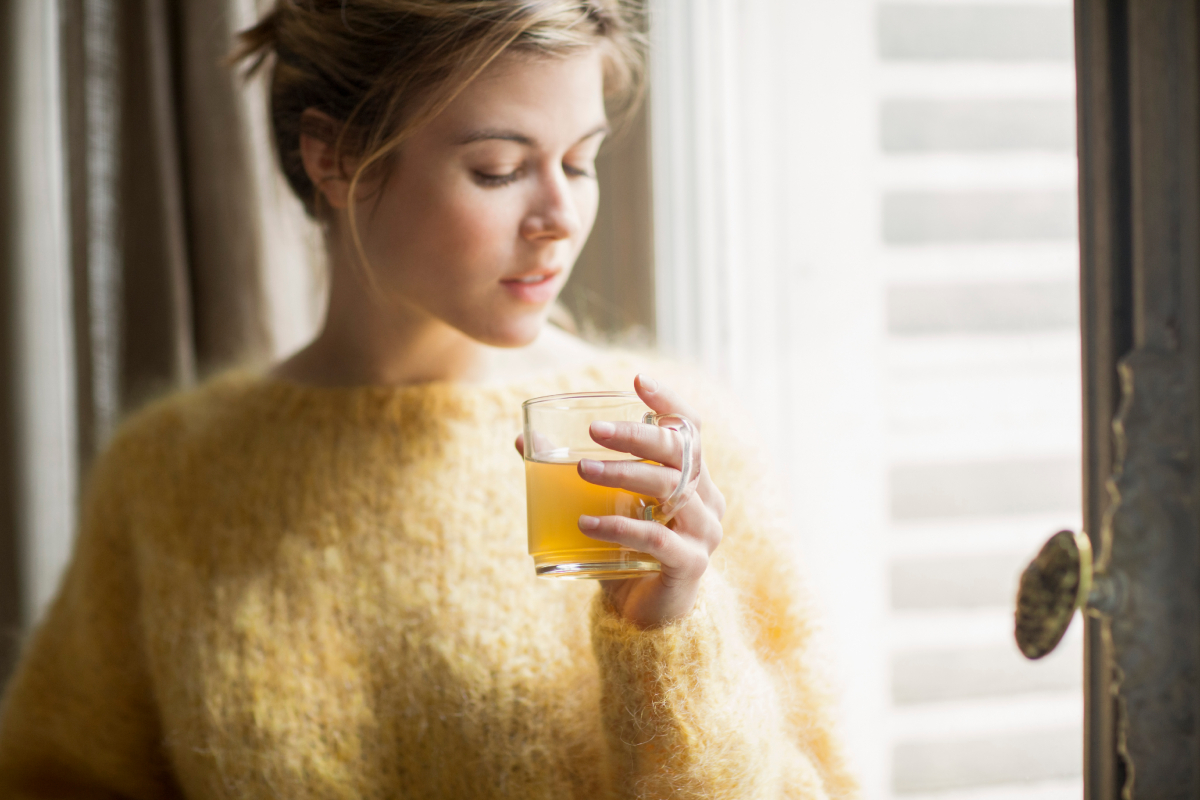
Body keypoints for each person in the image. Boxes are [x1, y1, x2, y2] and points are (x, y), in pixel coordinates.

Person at [0, 1, 856, 797]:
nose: (560, 214)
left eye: (581, 161)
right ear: (331, 158)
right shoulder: (171, 475)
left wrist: (674, 639)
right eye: (499, 169)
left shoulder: (666, 450)